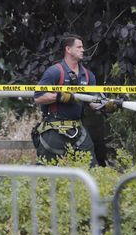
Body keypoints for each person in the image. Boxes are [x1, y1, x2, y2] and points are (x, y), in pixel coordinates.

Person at [33, 34, 117, 166]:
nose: (83, 50)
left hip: (78, 131)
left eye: (82, 47)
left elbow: (92, 102)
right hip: (54, 130)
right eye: (79, 47)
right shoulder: (54, 72)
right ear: (68, 49)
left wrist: (108, 105)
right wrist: (59, 96)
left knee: (92, 169)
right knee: (46, 173)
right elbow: (38, 97)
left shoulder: (88, 76)